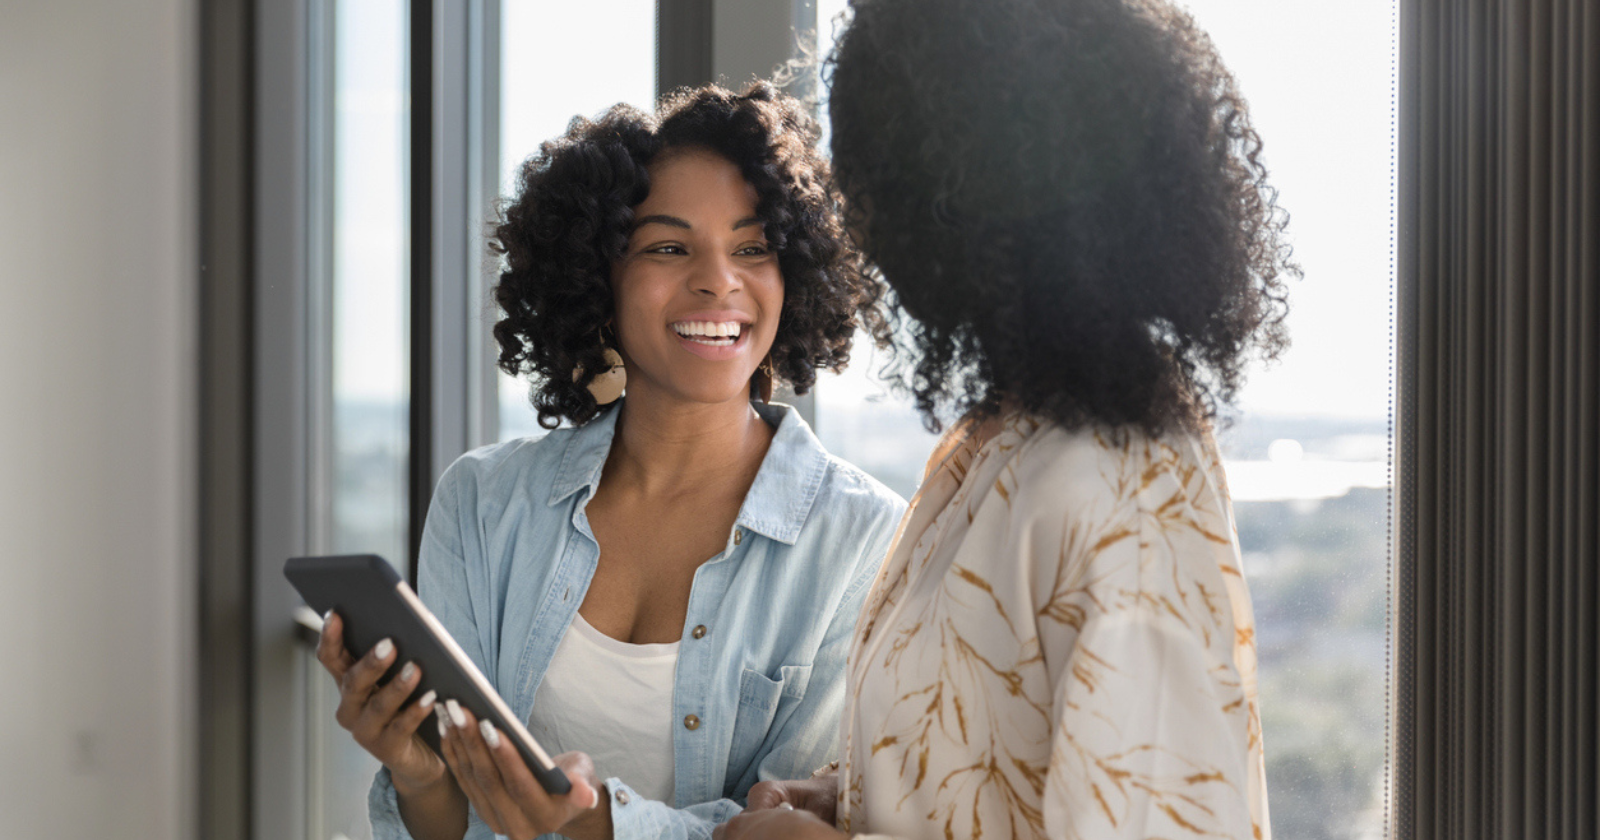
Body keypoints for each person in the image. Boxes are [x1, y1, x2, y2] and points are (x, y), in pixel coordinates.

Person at [716, 0, 1295, 838]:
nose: (860, 220)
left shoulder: (1123, 479)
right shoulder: (997, 439)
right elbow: (993, 758)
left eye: (881, 174)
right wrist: (848, 798)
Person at [316, 82, 907, 840]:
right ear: (599, 278)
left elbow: (789, 826)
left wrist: (598, 823)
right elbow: (447, 822)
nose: (718, 280)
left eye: (752, 247)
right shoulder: (484, 502)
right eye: (668, 246)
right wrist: (418, 772)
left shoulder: (863, 545)